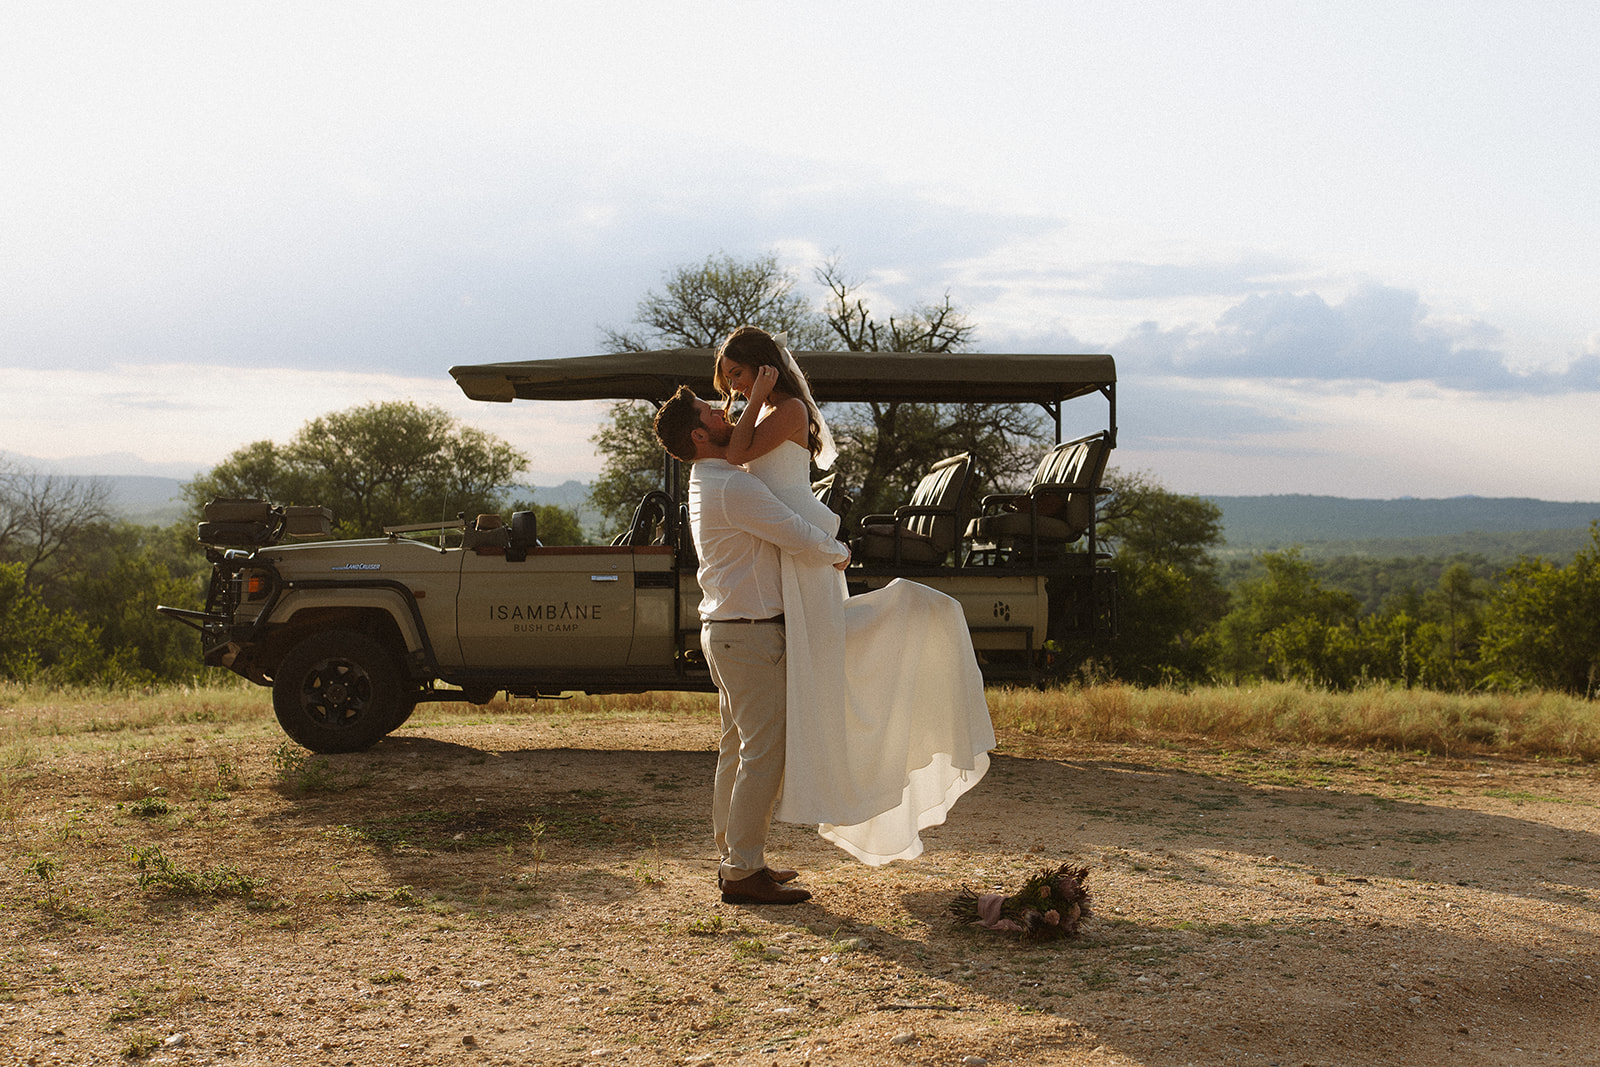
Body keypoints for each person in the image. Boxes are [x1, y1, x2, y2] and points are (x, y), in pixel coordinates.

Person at [713, 325, 995, 865]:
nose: (734, 388)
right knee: (811, 669)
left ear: (765, 368)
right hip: (787, 543)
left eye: (740, 375)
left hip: (803, 547)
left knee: (828, 658)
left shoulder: (788, 409)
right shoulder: (765, 412)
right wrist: (747, 401)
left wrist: (750, 402)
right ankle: (745, 841)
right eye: (729, 380)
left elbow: (736, 457)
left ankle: (909, 614)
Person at [653, 385, 850, 905]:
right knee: (763, 754)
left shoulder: (709, 479)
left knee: (738, 750)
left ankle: (737, 859)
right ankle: (742, 871)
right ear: (700, 434)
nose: (723, 411)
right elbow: (794, 531)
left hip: (728, 632)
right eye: (710, 412)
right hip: (751, 635)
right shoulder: (731, 487)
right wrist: (839, 551)